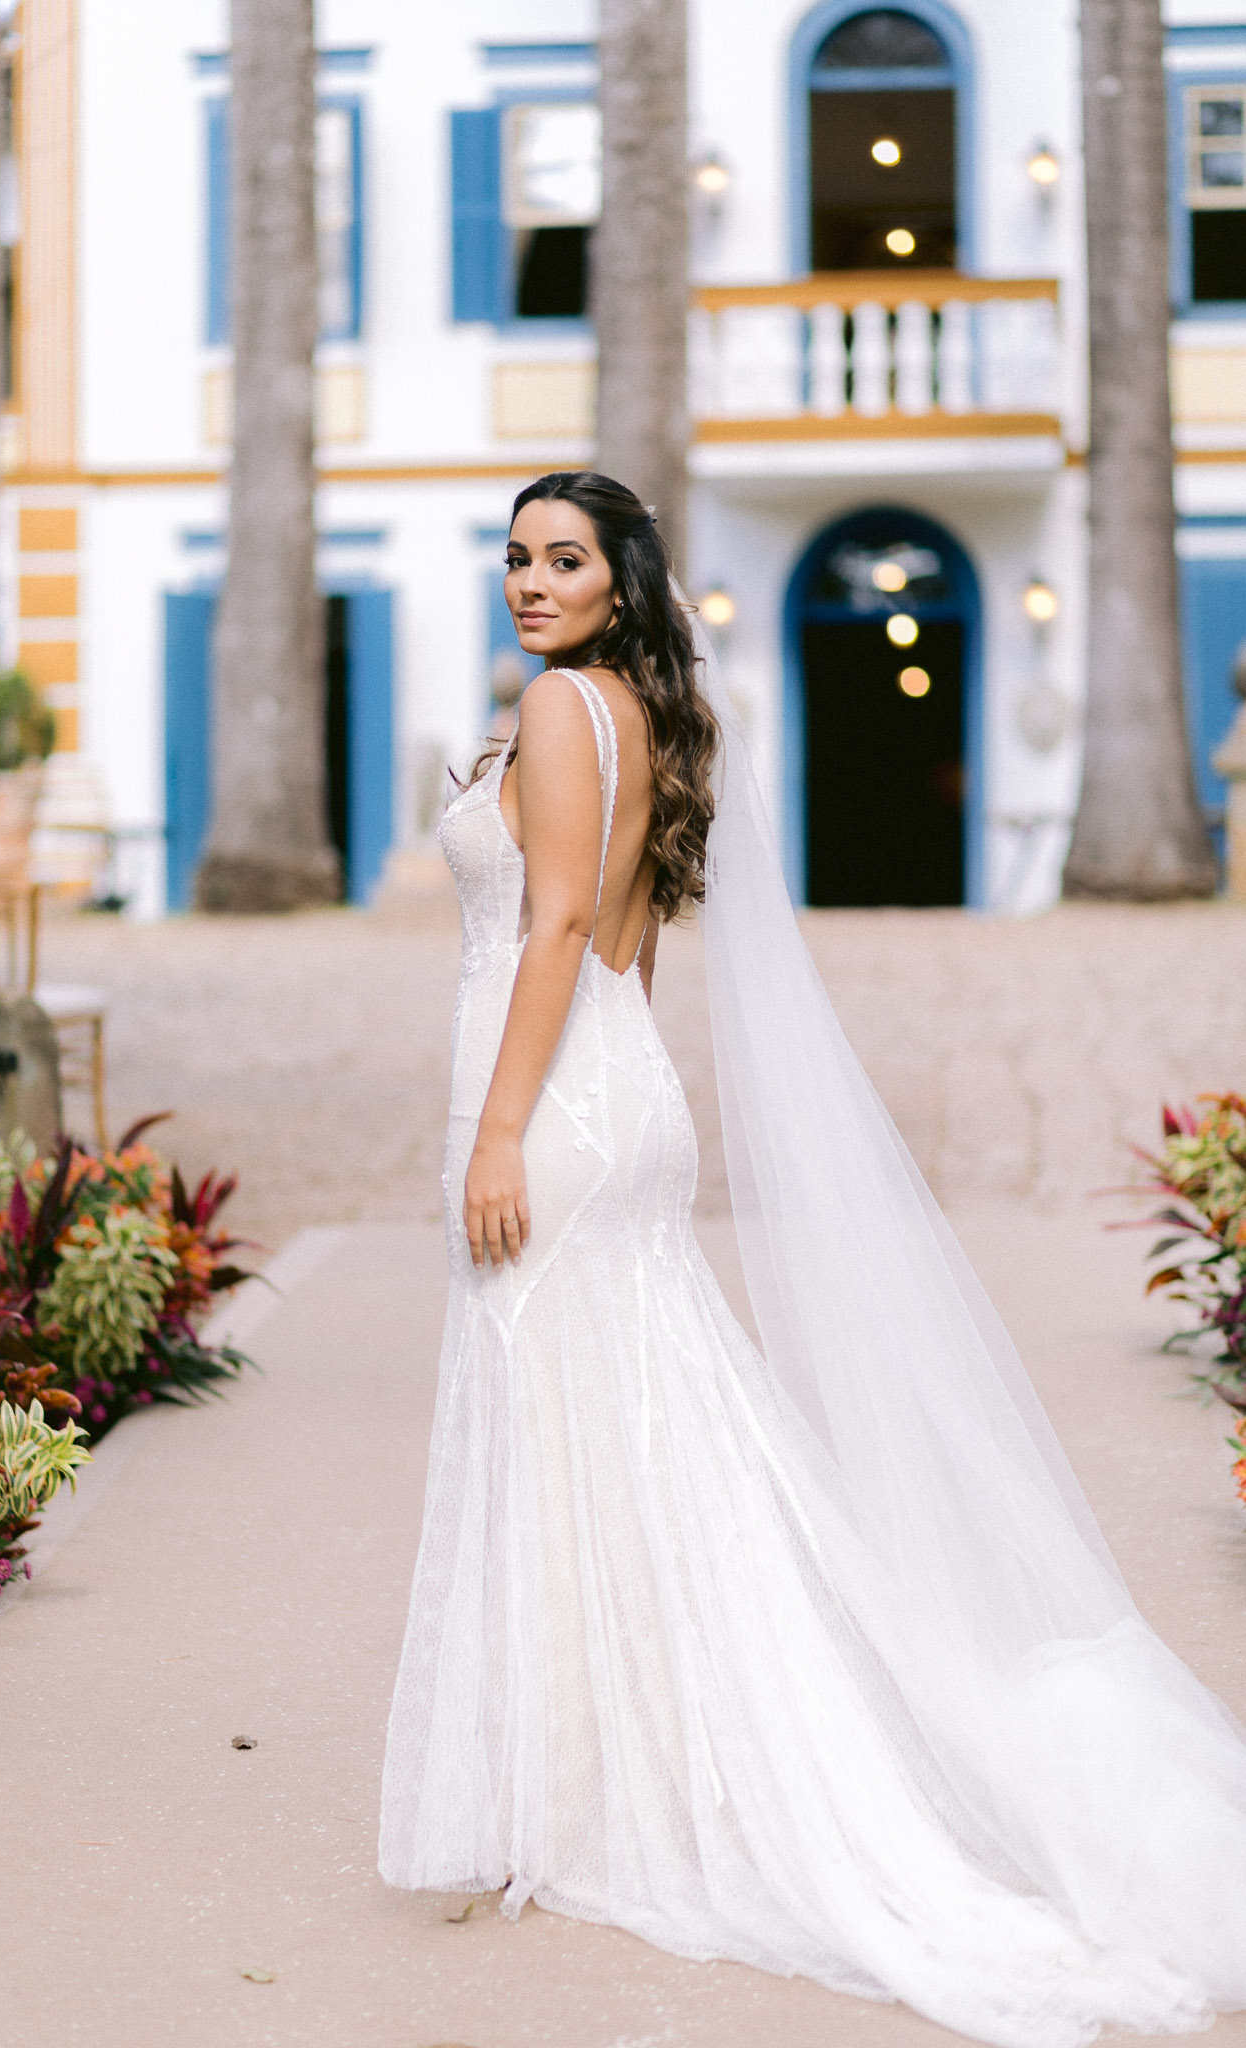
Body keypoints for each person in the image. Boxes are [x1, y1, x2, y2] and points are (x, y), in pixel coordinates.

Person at [380, 471, 1246, 2046]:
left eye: (562, 559)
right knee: (635, 1449)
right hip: (612, 1086)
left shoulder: (563, 707)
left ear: (619, 581)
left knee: (576, 1447)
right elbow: (611, 936)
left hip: (559, 1102)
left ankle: (599, 1789)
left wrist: (498, 1132)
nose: (527, 580)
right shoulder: (630, 713)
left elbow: (559, 926)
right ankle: (590, 1779)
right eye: (513, 557)